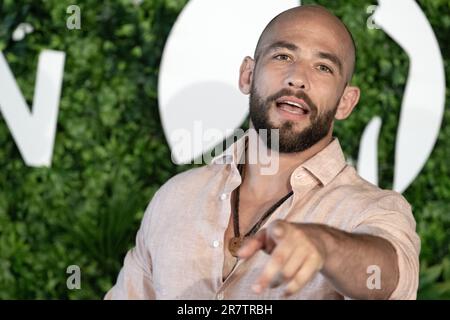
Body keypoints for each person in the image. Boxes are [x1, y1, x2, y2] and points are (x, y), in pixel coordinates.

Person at [105, 5, 420, 300]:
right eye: (283, 56)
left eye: (323, 67)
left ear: (346, 102)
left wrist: (325, 246)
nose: (298, 78)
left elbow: (391, 278)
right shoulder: (176, 197)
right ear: (247, 75)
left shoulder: (373, 210)